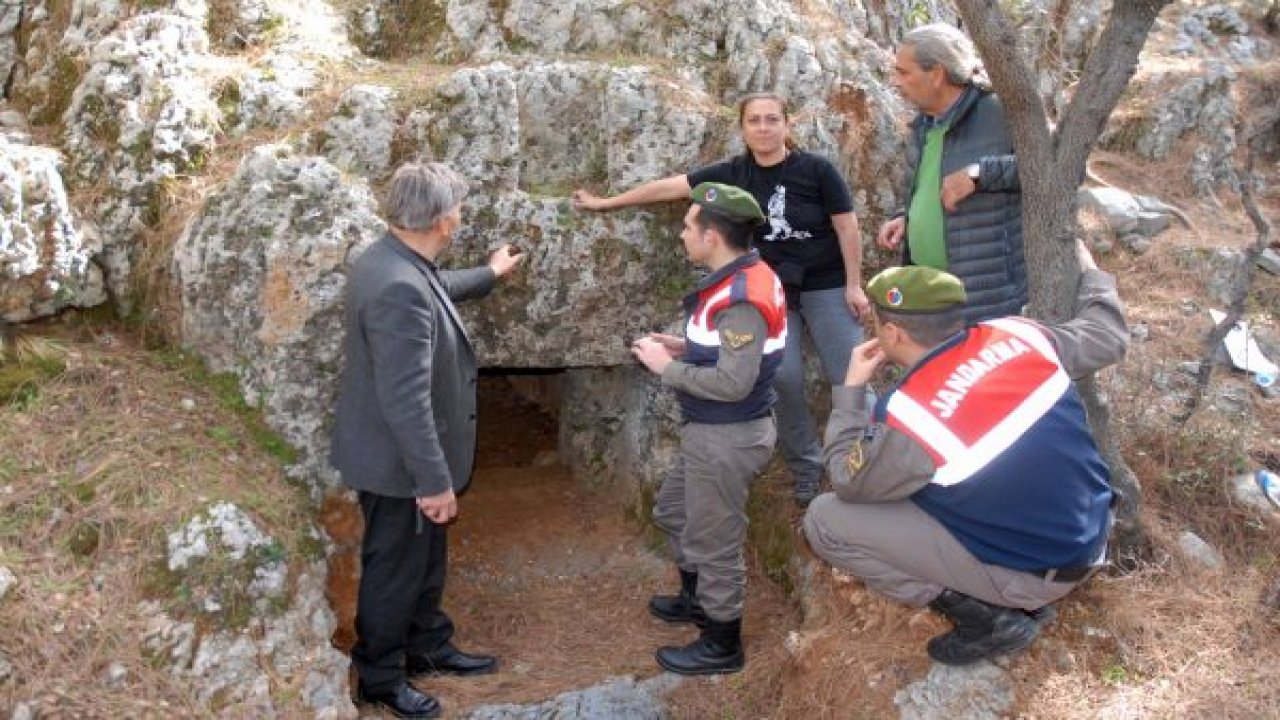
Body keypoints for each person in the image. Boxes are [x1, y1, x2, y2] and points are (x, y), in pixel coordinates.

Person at [803, 242, 1128, 666]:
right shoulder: (1018, 334)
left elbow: (846, 480)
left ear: (893, 334)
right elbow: (1107, 337)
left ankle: (991, 620)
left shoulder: (909, 416)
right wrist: (1093, 273)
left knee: (824, 520)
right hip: (1092, 534)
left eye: (877, 324)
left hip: (1035, 572)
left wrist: (849, 391)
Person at [574, 92, 868, 506]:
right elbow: (672, 186)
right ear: (743, 128)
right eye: (754, 120)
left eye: (772, 119)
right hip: (773, 289)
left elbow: (847, 228)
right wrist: (608, 203)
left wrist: (853, 285)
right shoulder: (734, 173)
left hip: (825, 281)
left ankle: (865, 460)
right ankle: (806, 465)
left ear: (787, 124)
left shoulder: (816, 170)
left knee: (850, 371)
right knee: (783, 379)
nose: (764, 128)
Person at [331, 162, 524, 718]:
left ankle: (427, 643)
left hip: (396, 456)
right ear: (442, 221)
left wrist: (488, 274)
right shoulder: (398, 288)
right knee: (395, 569)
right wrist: (433, 482)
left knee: (423, 557)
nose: (459, 217)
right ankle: (382, 677)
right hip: (399, 466)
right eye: (457, 209)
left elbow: (433, 287)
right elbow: (405, 400)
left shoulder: (389, 260)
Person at [631, 182, 786, 675]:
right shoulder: (733, 277)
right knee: (673, 510)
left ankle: (722, 643)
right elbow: (725, 353)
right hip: (711, 432)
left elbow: (733, 382)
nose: (681, 235)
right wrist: (681, 348)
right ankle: (697, 602)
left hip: (728, 435)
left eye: (687, 226)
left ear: (713, 235)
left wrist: (664, 368)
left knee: (715, 541)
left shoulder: (742, 295)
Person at [876, 23, 1027, 324]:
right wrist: (905, 217)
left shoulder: (1001, 111)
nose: (896, 81)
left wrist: (978, 174)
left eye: (904, 72)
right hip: (930, 292)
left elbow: (1057, 170)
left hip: (985, 295)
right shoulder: (924, 124)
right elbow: (927, 186)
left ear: (936, 75)